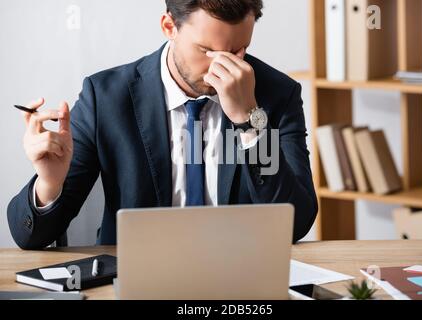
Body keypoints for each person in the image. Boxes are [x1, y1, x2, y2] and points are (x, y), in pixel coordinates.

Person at [8, 0, 317, 249]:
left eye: (238, 51)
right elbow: (29, 237)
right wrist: (48, 184)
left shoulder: (276, 94)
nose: (225, 68)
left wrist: (251, 120)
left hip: (241, 275)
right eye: (207, 51)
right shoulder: (106, 97)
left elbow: (297, 222)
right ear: (169, 26)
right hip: (135, 280)